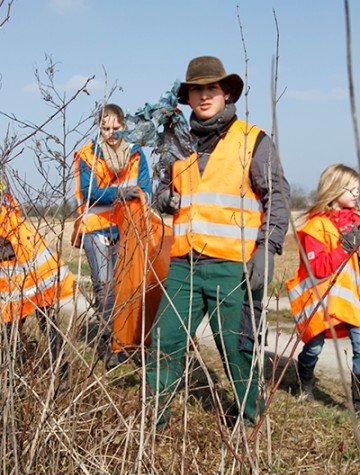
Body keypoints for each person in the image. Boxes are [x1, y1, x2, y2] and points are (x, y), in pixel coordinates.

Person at [146, 56, 290, 428]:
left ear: (226, 93)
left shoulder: (253, 140)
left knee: (236, 350)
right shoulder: (176, 142)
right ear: (188, 97)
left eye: (212, 88)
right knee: (164, 343)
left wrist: (268, 249)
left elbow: (277, 195)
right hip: (184, 265)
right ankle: (153, 422)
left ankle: (250, 421)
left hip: (234, 269)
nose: (204, 95)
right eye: (197, 89)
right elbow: (161, 187)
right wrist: (163, 198)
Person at [73, 104, 151, 368]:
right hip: (96, 228)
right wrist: (119, 194)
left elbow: (145, 189)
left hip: (128, 229)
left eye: (116, 128)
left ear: (124, 127)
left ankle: (127, 342)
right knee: (105, 288)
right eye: (105, 128)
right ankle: (109, 344)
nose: (111, 133)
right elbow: (88, 191)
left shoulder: (137, 155)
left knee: (126, 287)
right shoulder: (87, 155)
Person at [286, 164, 360, 413]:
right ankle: (305, 375)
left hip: (353, 302)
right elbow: (317, 268)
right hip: (320, 302)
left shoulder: (358, 223)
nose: (357, 194)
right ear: (334, 188)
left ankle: (358, 404)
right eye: (353, 188)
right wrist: (344, 249)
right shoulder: (315, 227)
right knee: (314, 347)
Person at [0, 190, 75, 376]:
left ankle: (20, 378)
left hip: (20, 274)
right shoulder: (7, 209)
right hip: (39, 269)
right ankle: (62, 372)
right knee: (47, 323)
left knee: (11, 330)